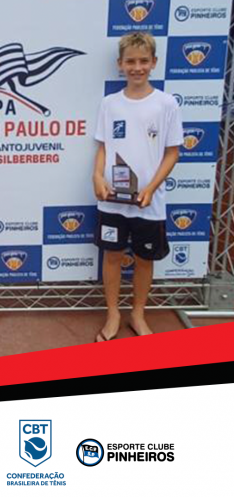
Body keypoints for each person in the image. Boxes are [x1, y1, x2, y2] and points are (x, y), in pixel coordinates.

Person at [92, 32, 183, 341]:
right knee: (112, 256)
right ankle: (113, 314)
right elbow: (103, 147)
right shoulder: (109, 104)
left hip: (149, 202)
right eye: (130, 61)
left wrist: (151, 188)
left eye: (144, 61)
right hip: (112, 200)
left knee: (145, 260)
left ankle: (138, 314)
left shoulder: (166, 104)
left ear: (154, 62)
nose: (137, 67)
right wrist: (97, 176)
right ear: (120, 64)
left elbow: (172, 153)